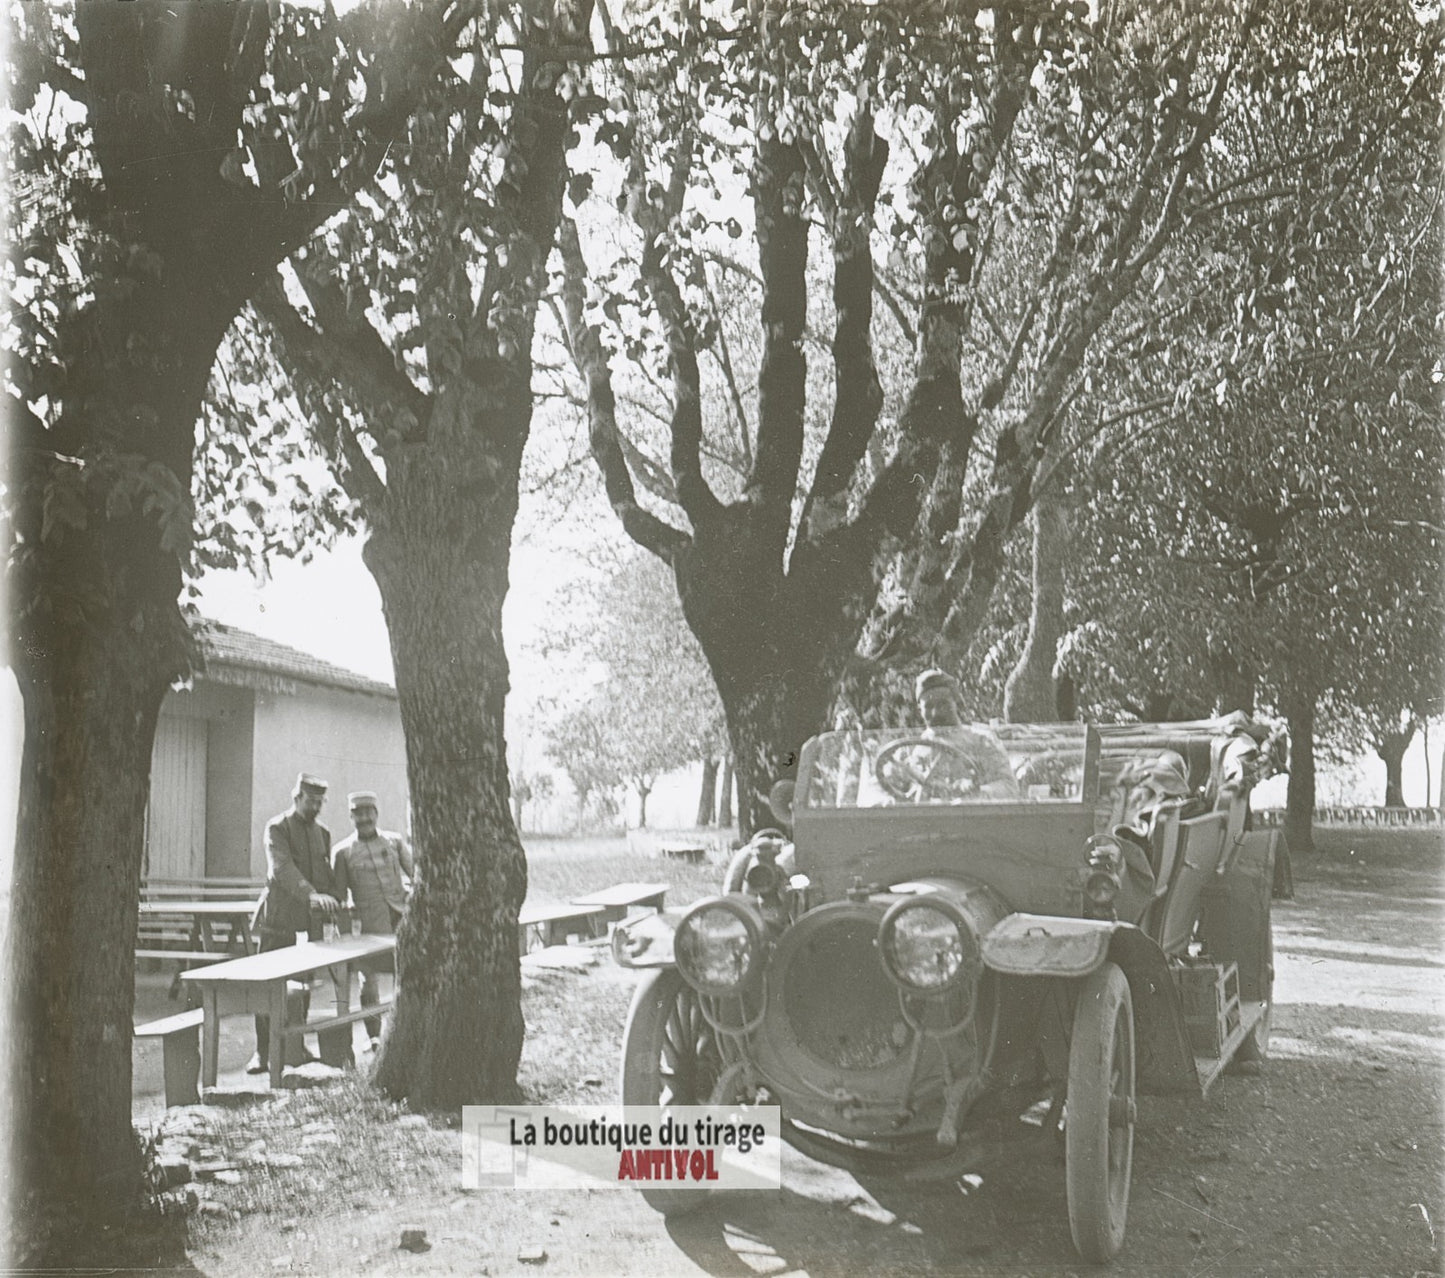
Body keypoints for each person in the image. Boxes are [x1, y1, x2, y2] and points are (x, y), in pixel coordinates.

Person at [247, 773, 340, 1074]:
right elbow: (281, 869)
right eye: (309, 801)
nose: (314, 807)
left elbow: (325, 872)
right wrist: (311, 894)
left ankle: (295, 1046)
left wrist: (334, 898)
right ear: (296, 797)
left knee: (303, 986)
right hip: (278, 920)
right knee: (269, 987)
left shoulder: (322, 833)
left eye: (319, 802)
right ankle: (262, 1052)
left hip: (308, 925)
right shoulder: (278, 828)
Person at [331, 790, 413, 1049]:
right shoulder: (342, 852)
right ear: (351, 816)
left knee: (407, 973)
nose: (364, 818)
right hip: (367, 924)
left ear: (376, 814)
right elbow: (340, 895)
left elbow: (415, 874)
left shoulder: (394, 842)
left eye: (369, 813)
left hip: (401, 917)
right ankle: (375, 1037)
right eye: (358, 814)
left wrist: (411, 895)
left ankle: (404, 1030)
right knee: (369, 981)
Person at [902, 669, 1019, 800]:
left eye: (943, 704)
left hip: (969, 817)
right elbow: (879, 785)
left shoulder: (981, 740)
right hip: (922, 818)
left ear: (956, 702)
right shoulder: (910, 748)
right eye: (928, 706)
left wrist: (975, 792)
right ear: (920, 710)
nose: (936, 713)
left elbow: (1009, 787)